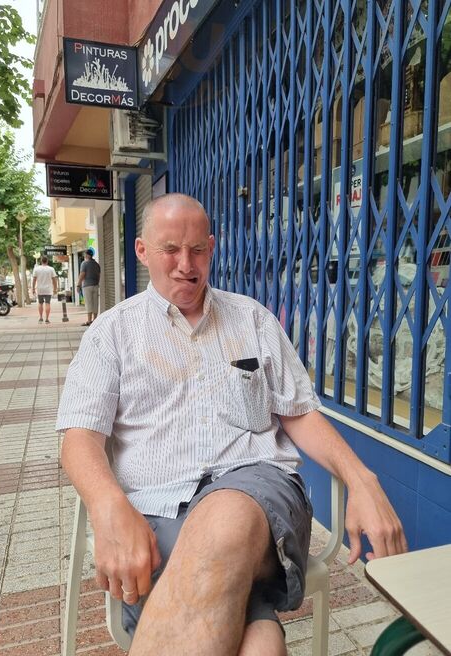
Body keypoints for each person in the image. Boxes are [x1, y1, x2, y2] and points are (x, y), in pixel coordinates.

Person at [57, 193, 407, 656]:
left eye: (197, 250)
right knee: (259, 645)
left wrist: (362, 479)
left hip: (259, 491)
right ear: (142, 251)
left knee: (226, 516)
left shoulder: (252, 319)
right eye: (170, 250)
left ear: (212, 247)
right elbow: (80, 436)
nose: (186, 265)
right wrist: (108, 506)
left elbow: (299, 412)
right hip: (158, 511)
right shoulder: (112, 333)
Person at [76, 247, 101, 326]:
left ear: (87, 255)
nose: (85, 256)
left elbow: (82, 274)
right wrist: (97, 283)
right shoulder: (97, 264)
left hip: (87, 286)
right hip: (95, 285)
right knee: (95, 302)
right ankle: (95, 320)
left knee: (88, 303)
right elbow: (99, 275)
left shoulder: (84, 263)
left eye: (85, 254)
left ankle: (89, 321)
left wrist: (78, 285)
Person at [32, 255, 57, 324]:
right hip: (48, 289)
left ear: (41, 261)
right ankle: (47, 319)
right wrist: (55, 289)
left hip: (40, 289)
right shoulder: (51, 269)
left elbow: (34, 280)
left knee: (40, 303)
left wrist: (33, 288)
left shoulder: (36, 269)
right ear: (47, 261)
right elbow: (54, 280)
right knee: (47, 303)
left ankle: (40, 318)